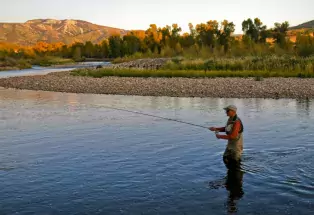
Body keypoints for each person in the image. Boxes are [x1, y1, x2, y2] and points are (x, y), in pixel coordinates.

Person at [209, 105, 244, 169]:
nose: (226, 112)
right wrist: (216, 129)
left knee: (236, 162)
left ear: (233, 111)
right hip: (230, 143)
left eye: (227, 111)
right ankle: (230, 172)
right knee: (225, 158)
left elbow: (233, 136)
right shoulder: (230, 119)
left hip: (236, 145)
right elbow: (227, 129)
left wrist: (220, 136)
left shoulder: (237, 122)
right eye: (226, 111)